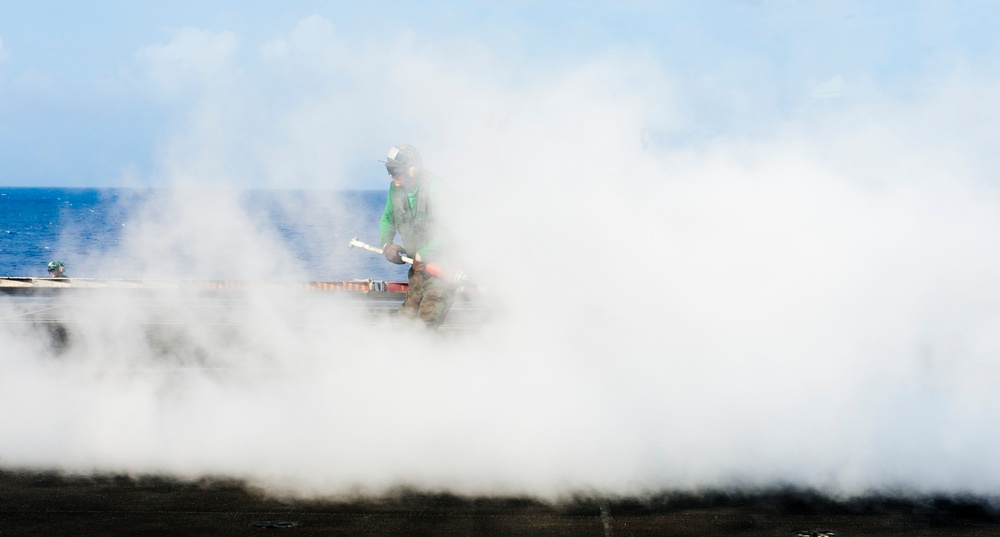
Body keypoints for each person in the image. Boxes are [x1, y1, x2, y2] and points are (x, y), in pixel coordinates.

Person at [379, 144, 455, 328]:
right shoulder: (395, 189)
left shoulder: (435, 188)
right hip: (418, 270)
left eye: (395, 170)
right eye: (388, 170)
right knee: (404, 324)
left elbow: (451, 230)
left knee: (426, 325)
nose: (391, 175)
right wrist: (387, 245)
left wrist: (425, 252)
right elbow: (388, 218)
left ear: (412, 170)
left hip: (442, 270)